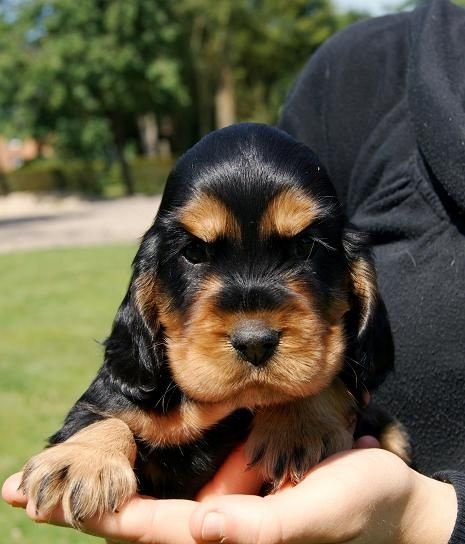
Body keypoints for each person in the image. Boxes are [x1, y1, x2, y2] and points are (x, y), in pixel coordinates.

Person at [3, 0, 465, 541]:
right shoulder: (367, 68)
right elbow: (105, 410)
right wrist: (100, 443)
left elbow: (369, 401)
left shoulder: (345, 352)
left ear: (353, 284)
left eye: (301, 249)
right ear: (149, 292)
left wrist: (411, 512)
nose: (251, 329)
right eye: (197, 253)